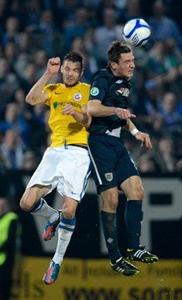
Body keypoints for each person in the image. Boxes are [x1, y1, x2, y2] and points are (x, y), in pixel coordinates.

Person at [87, 40, 158, 276]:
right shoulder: (102, 78)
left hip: (117, 143)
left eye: (133, 60)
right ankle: (115, 257)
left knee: (137, 191)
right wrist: (115, 111)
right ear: (113, 65)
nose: (133, 65)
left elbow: (123, 114)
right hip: (99, 144)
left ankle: (134, 248)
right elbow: (92, 108)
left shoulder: (124, 82)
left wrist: (136, 132)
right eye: (127, 62)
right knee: (111, 200)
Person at [19, 51, 91, 285]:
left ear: (81, 72)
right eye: (66, 68)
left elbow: (90, 121)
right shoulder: (54, 89)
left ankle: (56, 260)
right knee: (26, 203)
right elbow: (30, 99)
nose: (70, 73)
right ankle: (52, 215)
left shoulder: (89, 91)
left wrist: (77, 114)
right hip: (54, 151)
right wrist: (47, 74)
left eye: (74, 70)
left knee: (69, 209)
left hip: (79, 152)